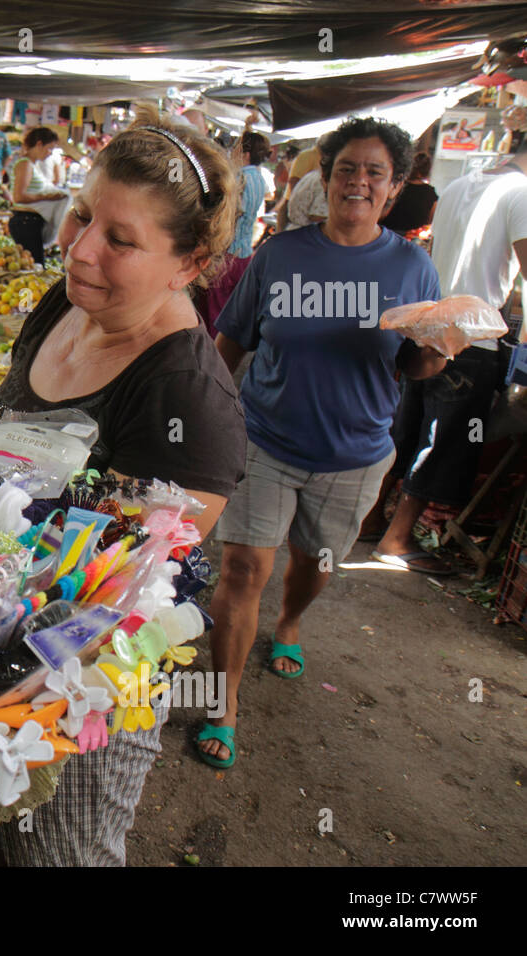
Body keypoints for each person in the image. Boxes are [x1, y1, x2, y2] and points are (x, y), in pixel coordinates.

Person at [0, 107, 247, 866]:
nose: (81, 250)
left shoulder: (185, 397)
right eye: (82, 216)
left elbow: (124, 601)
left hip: (80, 691)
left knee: (63, 854)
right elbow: (2, 421)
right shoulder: (67, 300)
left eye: (120, 240)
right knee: (5, 840)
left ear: (187, 264)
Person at [201, 117, 448, 769]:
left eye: (374, 172)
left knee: (316, 564)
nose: (358, 182)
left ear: (392, 189)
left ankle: (289, 621)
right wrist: (210, 411)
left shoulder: (412, 267)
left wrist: (437, 353)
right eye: (346, 169)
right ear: (326, 177)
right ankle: (223, 704)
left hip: (355, 453)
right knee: (242, 568)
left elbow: (418, 366)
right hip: (265, 439)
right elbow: (232, 340)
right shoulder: (280, 255)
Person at [362, 135, 527, 573]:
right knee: (443, 441)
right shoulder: (521, 195)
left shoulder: (459, 186)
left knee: (409, 431)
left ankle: (370, 517)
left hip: (431, 324)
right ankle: (396, 539)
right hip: (472, 339)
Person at [198, 131, 272, 335]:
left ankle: (213, 358)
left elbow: (228, 216)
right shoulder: (259, 178)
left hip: (226, 254)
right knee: (230, 312)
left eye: (237, 148)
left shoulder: (238, 178)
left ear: (245, 153)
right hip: (245, 254)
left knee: (214, 313)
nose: (233, 153)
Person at [7, 126, 66, 264]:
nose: (50, 153)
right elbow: (19, 197)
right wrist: (48, 197)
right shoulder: (25, 164)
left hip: (31, 221)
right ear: (39, 144)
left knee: (35, 264)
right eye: (49, 148)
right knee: (34, 265)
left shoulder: (33, 165)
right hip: (25, 222)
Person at [379, 151, 438, 235]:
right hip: (413, 236)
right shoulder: (430, 193)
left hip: (388, 232)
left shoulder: (397, 186)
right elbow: (431, 219)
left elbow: (383, 212)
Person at [274, 141, 319, 231]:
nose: (283, 160)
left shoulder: (310, 157)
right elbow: (292, 186)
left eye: (283, 157)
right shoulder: (308, 156)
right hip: (295, 215)